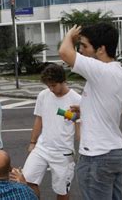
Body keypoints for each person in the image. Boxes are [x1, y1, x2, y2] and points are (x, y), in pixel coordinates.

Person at [59, 23, 122, 200]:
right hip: (115, 153)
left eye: (84, 45)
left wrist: (70, 35)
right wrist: (87, 108)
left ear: (101, 49)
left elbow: (65, 52)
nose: (81, 50)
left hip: (96, 156)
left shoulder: (101, 71)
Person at [22, 63, 81, 199]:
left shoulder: (77, 100)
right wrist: (33, 142)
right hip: (42, 147)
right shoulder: (43, 95)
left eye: (53, 85)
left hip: (63, 153)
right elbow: (39, 120)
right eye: (48, 86)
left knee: (62, 191)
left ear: (63, 81)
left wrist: (78, 117)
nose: (51, 89)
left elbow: (80, 128)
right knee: (27, 180)